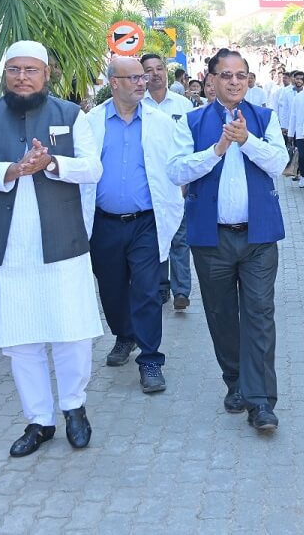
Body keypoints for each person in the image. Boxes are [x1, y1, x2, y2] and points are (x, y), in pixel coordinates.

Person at [0, 41, 104, 457]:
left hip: (61, 244)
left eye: (30, 70)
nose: (22, 77)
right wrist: (13, 169)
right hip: (7, 250)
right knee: (22, 338)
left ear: (47, 73)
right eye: (14, 70)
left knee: (72, 331)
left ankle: (75, 408)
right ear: (5, 75)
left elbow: (93, 168)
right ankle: (40, 420)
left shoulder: (72, 115)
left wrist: (52, 163)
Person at [167, 49, 289, 432]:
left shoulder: (264, 118)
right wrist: (218, 149)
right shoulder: (190, 121)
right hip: (210, 239)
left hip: (258, 239)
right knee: (221, 315)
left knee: (259, 314)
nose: (235, 82)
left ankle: (261, 402)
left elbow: (279, 164)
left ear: (249, 80)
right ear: (211, 81)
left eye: (241, 75)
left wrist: (247, 141)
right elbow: (175, 170)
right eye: (226, 75)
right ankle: (235, 381)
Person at [82, 57, 187, 393]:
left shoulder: (160, 122)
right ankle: (124, 336)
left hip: (145, 221)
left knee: (146, 289)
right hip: (103, 222)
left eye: (143, 77)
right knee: (111, 289)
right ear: (114, 82)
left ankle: (151, 360)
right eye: (134, 78)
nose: (143, 83)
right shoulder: (90, 123)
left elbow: (176, 165)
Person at [142, 53, 197, 309]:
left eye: (159, 68)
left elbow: (193, 146)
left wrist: (188, 179)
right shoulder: (139, 105)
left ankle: (182, 291)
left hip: (179, 183)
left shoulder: (183, 105)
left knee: (180, 237)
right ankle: (161, 286)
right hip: (149, 185)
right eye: (149, 70)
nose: (155, 74)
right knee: (156, 236)